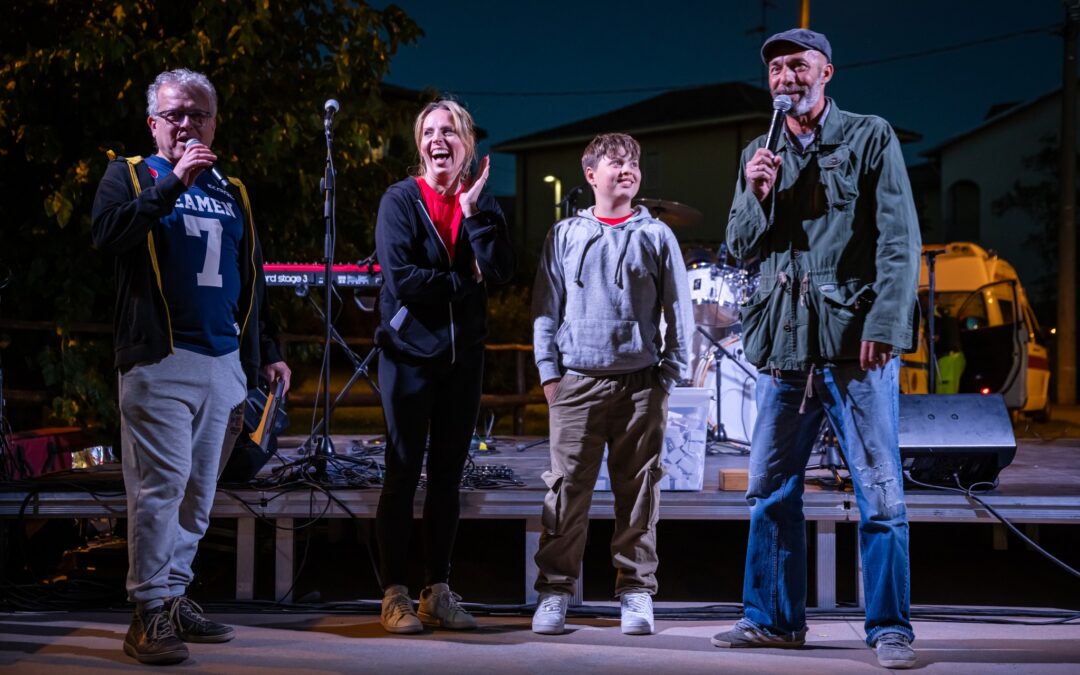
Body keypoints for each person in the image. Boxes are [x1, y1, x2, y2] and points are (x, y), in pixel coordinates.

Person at [711, 29, 922, 669]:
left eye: (797, 66)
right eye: (776, 69)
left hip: (853, 343)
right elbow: (739, 246)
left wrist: (886, 322)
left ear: (826, 71)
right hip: (783, 347)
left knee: (879, 491)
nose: (785, 78)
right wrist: (756, 191)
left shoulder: (869, 136)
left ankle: (890, 629)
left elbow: (898, 238)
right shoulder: (759, 150)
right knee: (770, 490)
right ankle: (773, 621)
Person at [91, 68, 291, 665]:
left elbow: (248, 276)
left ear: (214, 121)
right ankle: (147, 610)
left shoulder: (234, 189)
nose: (187, 123)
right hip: (161, 359)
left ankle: (174, 596)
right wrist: (173, 182)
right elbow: (108, 235)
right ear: (153, 123)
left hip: (223, 362)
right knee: (160, 489)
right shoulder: (128, 173)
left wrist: (269, 349)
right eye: (174, 113)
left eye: (198, 113)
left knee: (198, 497)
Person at [530, 133, 693, 636]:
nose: (628, 170)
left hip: (641, 383)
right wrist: (550, 374)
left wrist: (669, 374)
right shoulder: (564, 235)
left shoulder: (657, 235)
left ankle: (636, 592)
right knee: (566, 492)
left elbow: (678, 309)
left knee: (639, 491)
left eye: (634, 163)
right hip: (577, 381)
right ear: (590, 174)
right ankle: (556, 592)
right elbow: (544, 309)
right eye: (616, 162)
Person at [373, 99, 515, 634]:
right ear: (419, 144)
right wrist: (462, 283)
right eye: (429, 131)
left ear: (465, 144)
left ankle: (437, 591)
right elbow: (404, 279)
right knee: (403, 472)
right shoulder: (400, 201)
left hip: (463, 360)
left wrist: (475, 215)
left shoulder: (483, 204)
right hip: (408, 357)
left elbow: (500, 268)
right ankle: (394, 594)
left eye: (449, 131)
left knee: (448, 478)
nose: (439, 139)